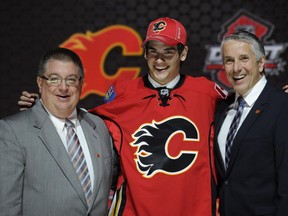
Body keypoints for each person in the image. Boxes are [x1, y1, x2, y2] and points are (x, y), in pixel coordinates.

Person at [18, 17, 228, 215]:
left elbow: (242, 116)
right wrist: (44, 106)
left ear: (183, 54)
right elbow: (81, 121)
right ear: (145, 53)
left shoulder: (206, 93)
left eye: (168, 52)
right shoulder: (122, 92)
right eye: (153, 51)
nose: (159, 60)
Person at [1, 48, 115, 216]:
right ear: (40, 82)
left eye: (71, 80)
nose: (63, 87)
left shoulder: (98, 126)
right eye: (54, 79)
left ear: (81, 83)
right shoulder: (13, 131)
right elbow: (7, 208)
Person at [214, 31, 288, 215]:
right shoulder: (221, 108)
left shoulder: (282, 106)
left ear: (261, 62)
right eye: (229, 60)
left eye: (244, 58)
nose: (236, 68)